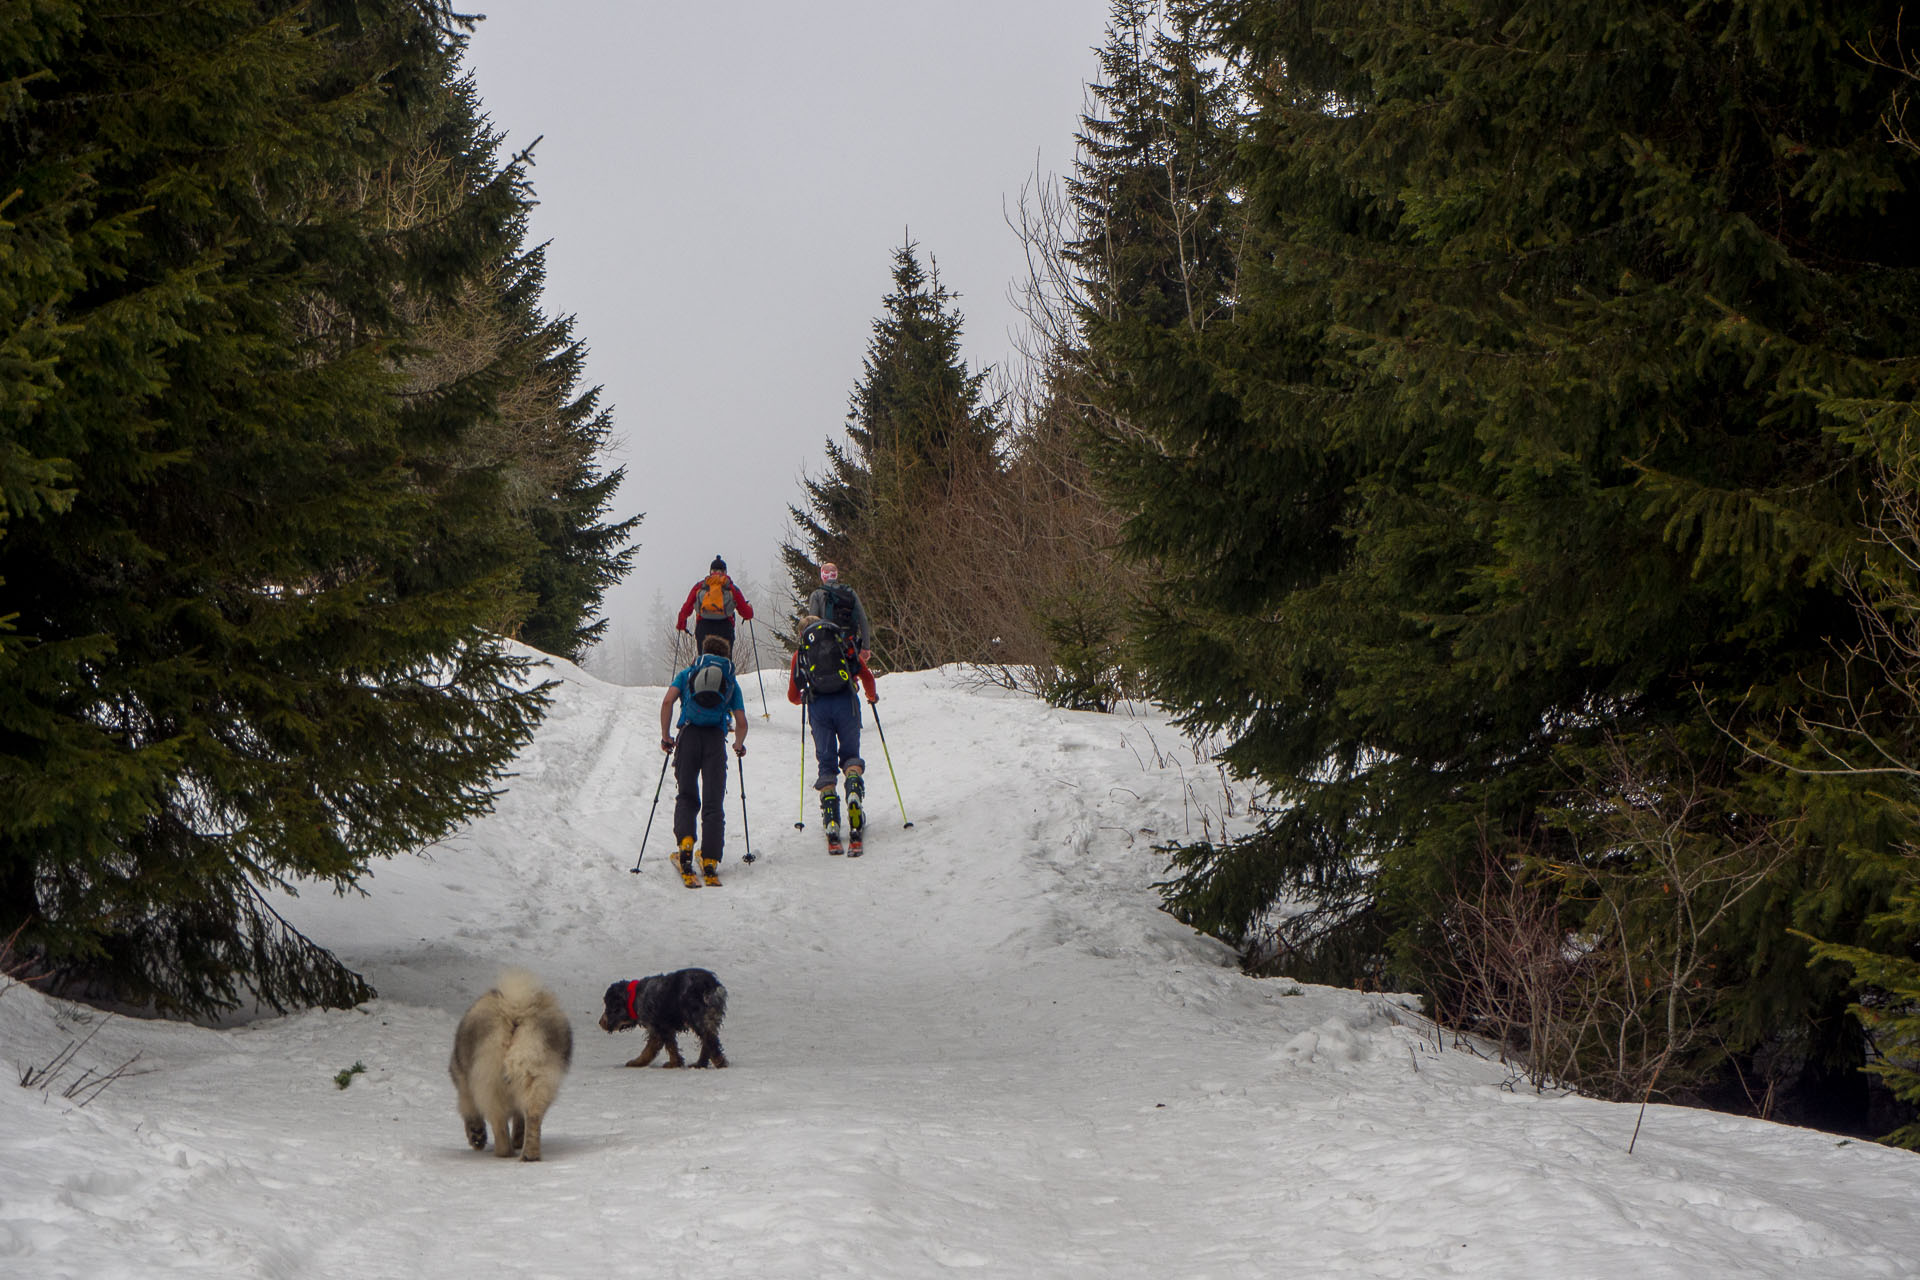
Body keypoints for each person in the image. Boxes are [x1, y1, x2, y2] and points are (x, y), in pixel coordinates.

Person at [659, 635, 748, 887]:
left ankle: (685, 845)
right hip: (715, 741)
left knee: (687, 795)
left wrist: (666, 736)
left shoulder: (688, 673)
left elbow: (667, 701)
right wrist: (739, 744)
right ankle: (709, 859)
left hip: (688, 736)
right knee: (713, 801)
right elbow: (741, 723)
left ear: (703, 652)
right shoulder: (730, 680)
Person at [787, 614, 878, 856]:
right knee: (851, 757)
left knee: (826, 764)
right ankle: (854, 797)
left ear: (802, 635)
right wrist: (871, 696)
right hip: (846, 702)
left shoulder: (801, 654)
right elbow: (865, 674)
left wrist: (805, 696)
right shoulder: (841, 642)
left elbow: (792, 696)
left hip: (819, 708)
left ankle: (831, 819)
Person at [676, 556, 755, 653]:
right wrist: (749, 609)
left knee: (703, 661)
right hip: (725, 628)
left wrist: (681, 624)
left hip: (704, 628)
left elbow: (686, 607)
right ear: (725, 572)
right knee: (726, 663)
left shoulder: (699, 587)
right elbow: (747, 614)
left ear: (710, 571)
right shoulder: (731, 588)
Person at [804, 562, 872, 665]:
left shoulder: (817, 594)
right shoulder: (850, 592)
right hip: (850, 643)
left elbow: (812, 624)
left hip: (827, 646)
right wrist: (866, 647)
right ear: (836, 575)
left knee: (831, 676)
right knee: (850, 674)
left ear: (823, 576)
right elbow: (863, 619)